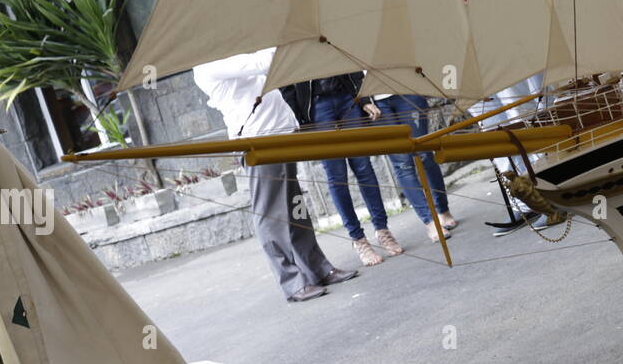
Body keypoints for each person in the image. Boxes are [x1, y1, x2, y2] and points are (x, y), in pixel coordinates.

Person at [193, 49, 357, 303]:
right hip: (257, 141)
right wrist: (284, 40)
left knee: (295, 207)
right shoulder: (207, 65)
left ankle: (318, 269)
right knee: (271, 214)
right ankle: (292, 283)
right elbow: (263, 62)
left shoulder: (234, 52)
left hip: (279, 134)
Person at [441, 0, 548, 236]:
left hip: (490, 38)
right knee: (501, 117)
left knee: (511, 115)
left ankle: (536, 189)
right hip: (483, 38)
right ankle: (527, 192)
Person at [280, 72, 403, 266]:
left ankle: (382, 230)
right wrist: (300, 118)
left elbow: (348, 59)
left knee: (364, 167)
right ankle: (358, 239)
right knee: (337, 176)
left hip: (348, 99)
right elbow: (285, 81)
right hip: (317, 107)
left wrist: (364, 100)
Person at [374, 93, 458, 242]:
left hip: (405, 91)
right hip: (375, 102)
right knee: (402, 164)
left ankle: (443, 210)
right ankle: (430, 222)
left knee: (424, 154)